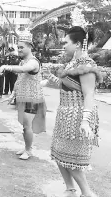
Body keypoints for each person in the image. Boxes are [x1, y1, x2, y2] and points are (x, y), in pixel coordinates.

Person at [43, 26, 100, 197]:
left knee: (72, 160)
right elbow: (66, 86)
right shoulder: (72, 63)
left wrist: (85, 121)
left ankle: (87, 193)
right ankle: (70, 188)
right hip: (65, 114)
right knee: (59, 154)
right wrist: (45, 81)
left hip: (78, 115)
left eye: (66, 42)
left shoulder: (86, 64)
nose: (63, 45)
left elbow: (89, 93)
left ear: (77, 44)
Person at [0, 30, 46, 160]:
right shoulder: (22, 62)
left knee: (27, 126)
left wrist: (6, 66)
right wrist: (12, 95)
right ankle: (26, 147)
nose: (19, 50)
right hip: (23, 98)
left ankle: (29, 150)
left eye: (21, 47)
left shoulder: (33, 62)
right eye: (18, 47)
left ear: (30, 46)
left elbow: (24, 70)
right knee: (24, 127)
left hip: (33, 99)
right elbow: (20, 80)